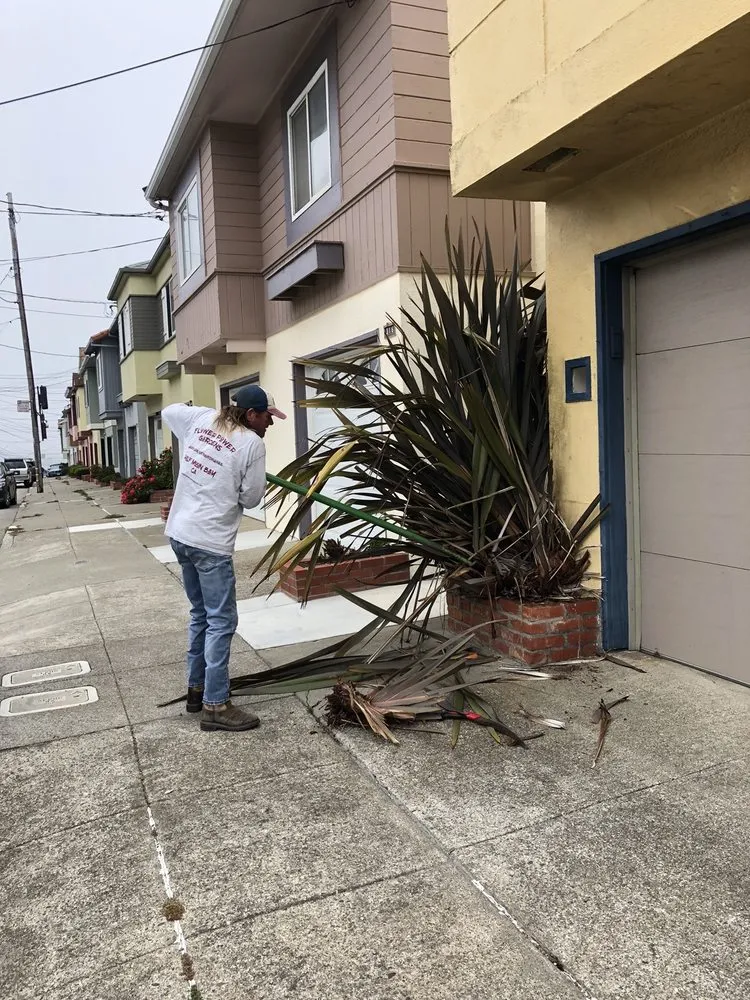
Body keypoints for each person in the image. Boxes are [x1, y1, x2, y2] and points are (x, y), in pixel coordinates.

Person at [162, 385, 286, 732]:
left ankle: (196, 691)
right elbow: (250, 499)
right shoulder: (252, 444)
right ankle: (216, 706)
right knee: (221, 622)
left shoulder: (202, 419)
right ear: (251, 415)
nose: (270, 424)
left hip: (180, 535)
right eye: (267, 417)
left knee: (200, 614)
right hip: (210, 543)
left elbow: (170, 411)